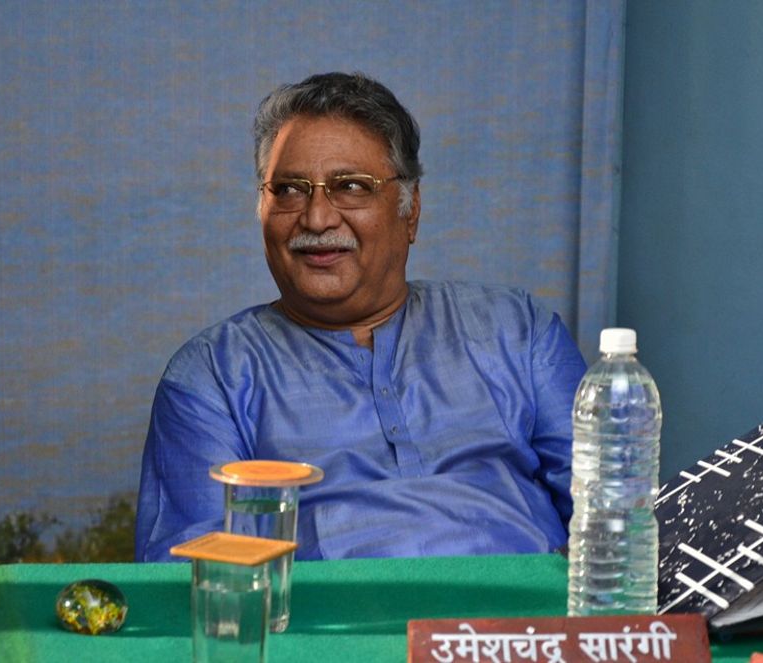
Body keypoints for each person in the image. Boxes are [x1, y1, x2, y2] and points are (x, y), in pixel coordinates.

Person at [135, 72, 586, 562]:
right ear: (261, 208)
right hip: (322, 613)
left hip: (524, 609)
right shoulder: (212, 377)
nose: (317, 218)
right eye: (289, 189)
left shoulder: (516, 331)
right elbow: (192, 574)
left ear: (410, 211)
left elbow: (616, 512)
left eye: (351, 186)